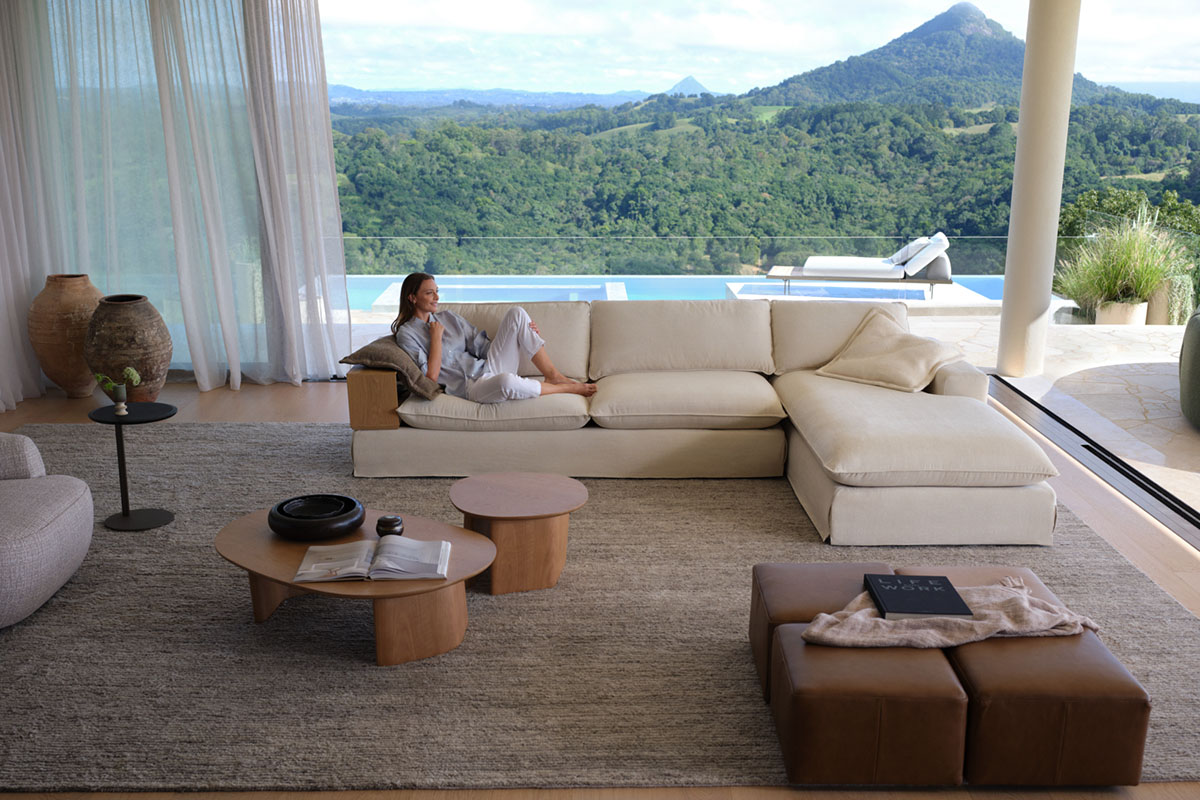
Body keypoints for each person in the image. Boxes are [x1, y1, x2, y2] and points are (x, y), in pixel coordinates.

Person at [391, 272, 597, 403]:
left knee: (517, 313)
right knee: (506, 382)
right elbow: (430, 378)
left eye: (437, 292)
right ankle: (564, 388)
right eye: (429, 293)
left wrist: (522, 332)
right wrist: (435, 338)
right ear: (412, 297)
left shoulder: (448, 317)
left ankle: (554, 376)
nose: (437, 297)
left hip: (489, 366)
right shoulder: (407, 334)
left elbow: (482, 347)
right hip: (471, 387)